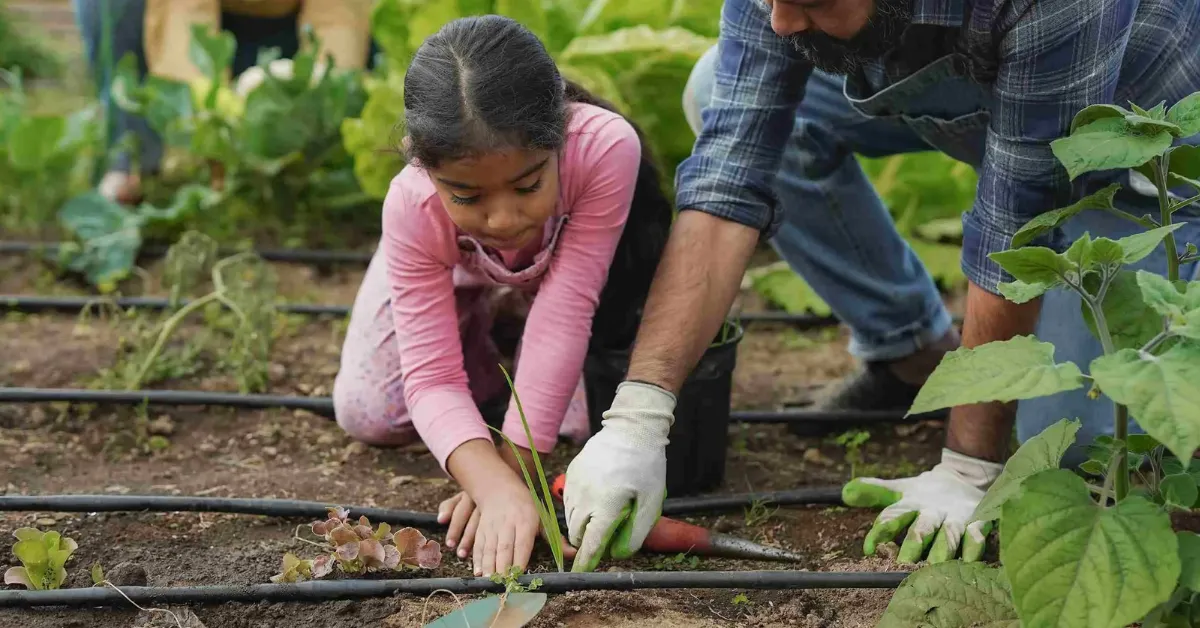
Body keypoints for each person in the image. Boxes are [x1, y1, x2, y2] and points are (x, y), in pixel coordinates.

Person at [563, 0, 1200, 572]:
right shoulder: (785, 7)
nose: (780, 21)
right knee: (715, 92)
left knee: (1084, 451)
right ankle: (913, 354)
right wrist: (637, 418)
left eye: (808, 1)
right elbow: (729, 176)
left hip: (1146, 156)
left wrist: (969, 468)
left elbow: (1017, 226)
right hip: (1006, 103)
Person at [331, 15, 672, 578]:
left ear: (557, 136)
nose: (504, 217)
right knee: (370, 412)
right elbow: (433, 377)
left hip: (562, 284)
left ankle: (507, 348)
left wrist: (513, 474)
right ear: (424, 165)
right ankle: (491, 355)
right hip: (457, 270)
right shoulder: (412, 205)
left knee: (588, 425)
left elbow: (565, 314)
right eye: (466, 194)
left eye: (528, 185)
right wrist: (487, 482)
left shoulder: (605, 148)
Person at [73, 0, 373, 204]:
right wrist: (206, 122)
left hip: (288, 28)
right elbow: (185, 19)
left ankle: (349, 165)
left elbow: (339, 18)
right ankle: (136, 161)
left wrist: (326, 91)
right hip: (212, 27)